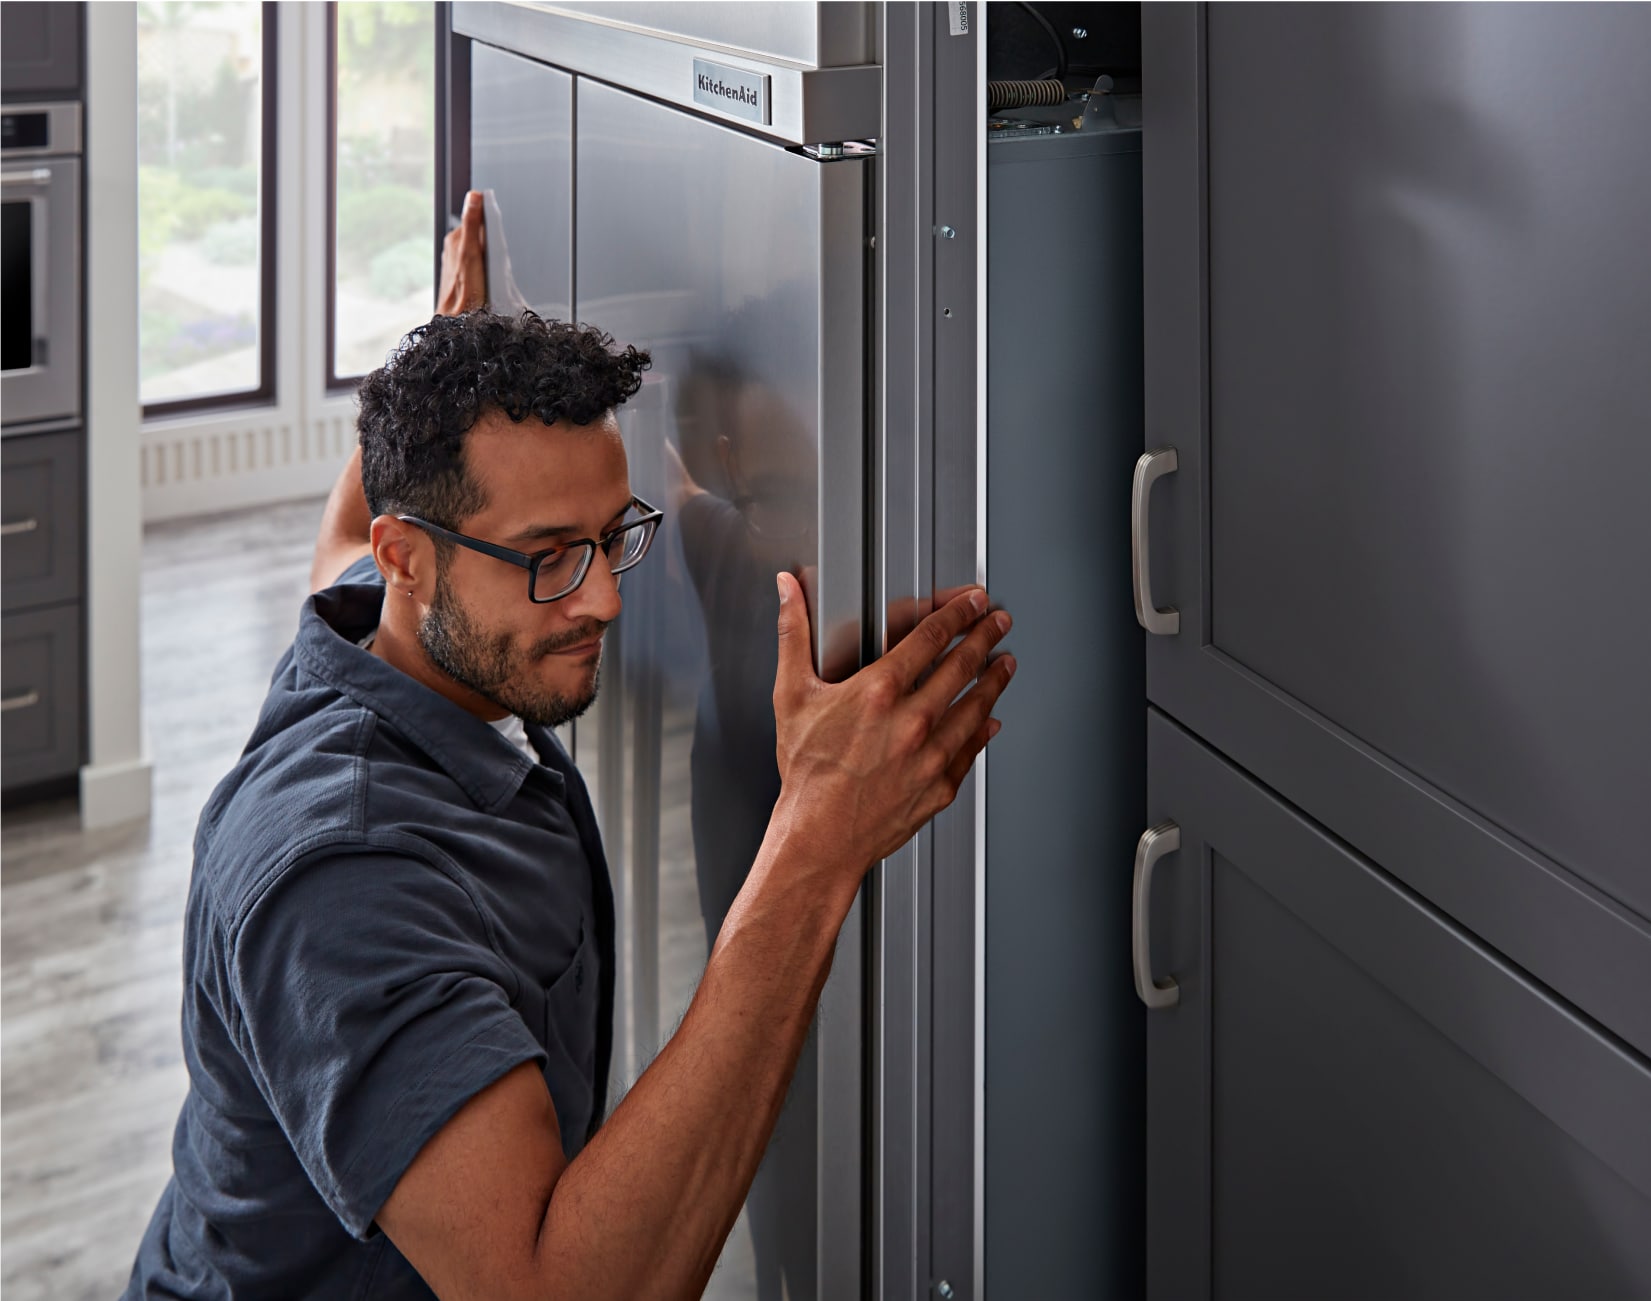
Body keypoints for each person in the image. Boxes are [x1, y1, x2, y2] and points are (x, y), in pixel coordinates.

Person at [125, 193, 1016, 1300]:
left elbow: (343, 534)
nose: (600, 598)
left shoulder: (378, 616)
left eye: (610, 537)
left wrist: (447, 329)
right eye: (549, 554)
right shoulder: (345, 881)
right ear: (416, 558)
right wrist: (815, 846)